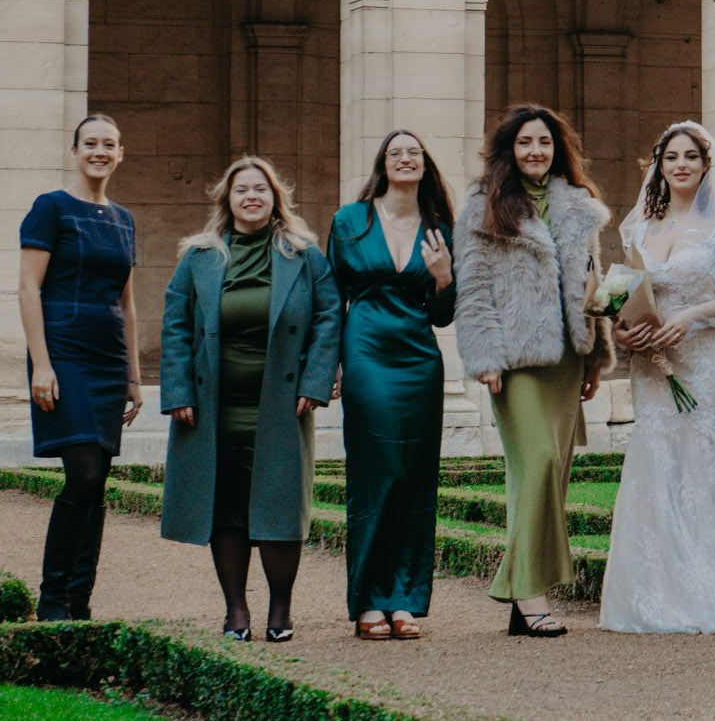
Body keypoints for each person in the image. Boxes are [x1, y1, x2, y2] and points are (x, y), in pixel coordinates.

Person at [598, 121, 715, 634]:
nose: (680, 165)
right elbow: (620, 295)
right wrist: (624, 332)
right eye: (670, 157)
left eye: (690, 157)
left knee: (706, 463)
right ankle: (654, 595)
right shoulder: (639, 229)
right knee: (657, 462)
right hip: (652, 365)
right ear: (659, 165)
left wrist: (690, 317)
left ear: (704, 165)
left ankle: (712, 593)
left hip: (707, 361)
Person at [159, 156, 341, 642]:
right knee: (226, 508)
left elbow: (329, 319)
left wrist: (315, 381)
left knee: (280, 507)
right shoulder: (199, 256)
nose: (251, 196)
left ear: (275, 197)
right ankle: (236, 612)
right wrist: (177, 390)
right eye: (242, 190)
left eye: (260, 188)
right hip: (213, 408)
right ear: (228, 199)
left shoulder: (304, 255)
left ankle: (280, 611)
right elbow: (175, 324)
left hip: (282, 405)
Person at [453, 105, 612, 639]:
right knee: (537, 464)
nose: (535, 152)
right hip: (516, 358)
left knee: (553, 477)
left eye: (543, 142)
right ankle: (527, 593)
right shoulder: (483, 204)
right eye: (524, 143)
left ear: (557, 148)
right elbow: (472, 288)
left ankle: (524, 599)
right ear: (508, 149)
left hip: (568, 358)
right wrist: (484, 358)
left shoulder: (578, 205)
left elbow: (593, 280)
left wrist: (595, 355)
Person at [328, 130, 457, 641]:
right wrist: (332, 363)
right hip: (364, 352)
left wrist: (444, 277)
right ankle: (368, 599)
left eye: (415, 153)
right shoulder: (349, 221)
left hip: (419, 357)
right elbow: (331, 297)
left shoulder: (441, 227)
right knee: (375, 474)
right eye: (395, 152)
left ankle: (404, 599)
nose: (406, 158)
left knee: (414, 478)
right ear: (383, 164)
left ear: (425, 166)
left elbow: (443, 317)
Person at [19, 112, 142, 621]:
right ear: (75, 151)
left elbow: (128, 301)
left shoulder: (123, 219)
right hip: (64, 351)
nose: (100, 151)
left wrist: (135, 376)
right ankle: (53, 600)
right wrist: (41, 366)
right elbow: (29, 287)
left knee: (99, 481)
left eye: (109, 144)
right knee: (85, 474)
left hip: (108, 356)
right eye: (90, 143)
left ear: (119, 153)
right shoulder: (50, 208)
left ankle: (79, 602)